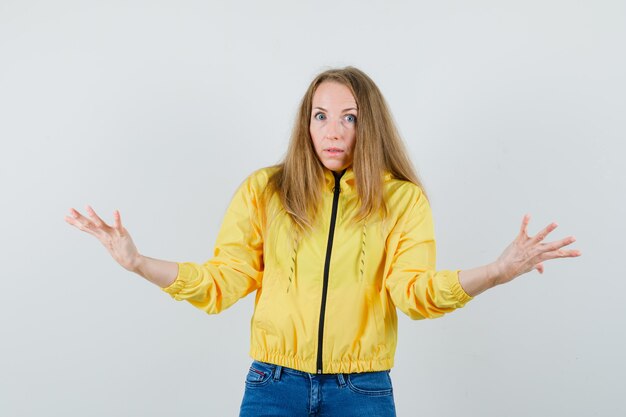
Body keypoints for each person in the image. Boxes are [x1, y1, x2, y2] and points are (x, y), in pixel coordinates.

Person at [65, 66, 581, 417]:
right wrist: (137, 263)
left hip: (362, 390)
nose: (333, 130)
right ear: (306, 123)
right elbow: (223, 281)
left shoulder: (403, 201)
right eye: (321, 116)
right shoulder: (265, 191)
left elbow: (415, 294)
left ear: (369, 124)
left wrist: (496, 270)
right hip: (272, 385)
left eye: (349, 117)